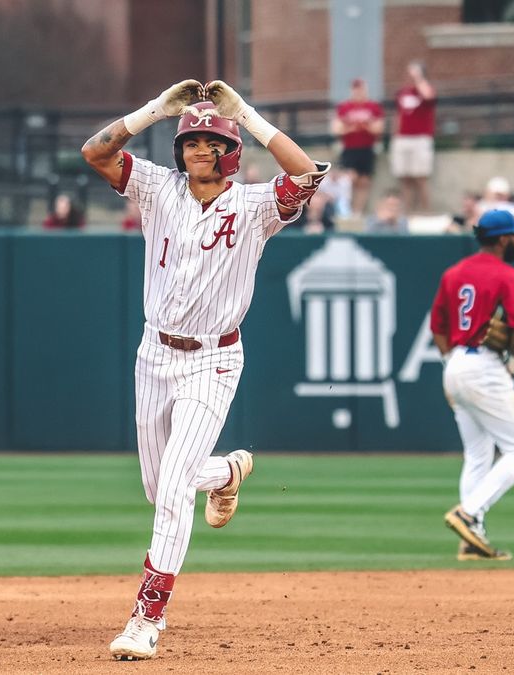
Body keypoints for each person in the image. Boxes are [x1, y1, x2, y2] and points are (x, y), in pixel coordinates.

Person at [81, 79, 326, 661]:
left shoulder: (257, 205)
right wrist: (154, 112)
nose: (199, 149)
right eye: (191, 140)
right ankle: (225, 474)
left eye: (211, 141)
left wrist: (249, 116)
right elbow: (95, 152)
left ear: (232, 151)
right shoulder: (158, 188)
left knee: (171, 490)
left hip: (214, 358)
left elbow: (309, 175)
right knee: (158, 486)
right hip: (154, 354)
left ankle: (146, 618)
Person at [429, 210, 514, 561]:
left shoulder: (453, 273)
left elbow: (438, 327)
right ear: (503, 239)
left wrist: (450, 366)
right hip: (485, 367)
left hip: (456, 361)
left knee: (478, 454)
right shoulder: (508, 275)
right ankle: (468, 513)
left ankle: (470, 539)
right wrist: (513, 365)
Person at [331, 78, 383, 216]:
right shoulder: (345, 107)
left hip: (366, 148)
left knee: (364, 181)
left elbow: (378, 128)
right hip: (350, 148)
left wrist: (366, 126)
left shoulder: (373, 107)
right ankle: (346, 210)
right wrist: (351, 128)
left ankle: (358, 211)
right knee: (349, 179)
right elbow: (337, 128)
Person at [390, 61, 436, 214]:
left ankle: (426, 211)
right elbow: (398, 115)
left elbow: (428, 96)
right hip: (403, 138)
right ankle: (407, 213)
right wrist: (394, 134)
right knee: (405, 177)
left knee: (421, 177)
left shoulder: (425, 89)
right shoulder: (402, 93)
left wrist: (419, 79)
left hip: (420, 138)